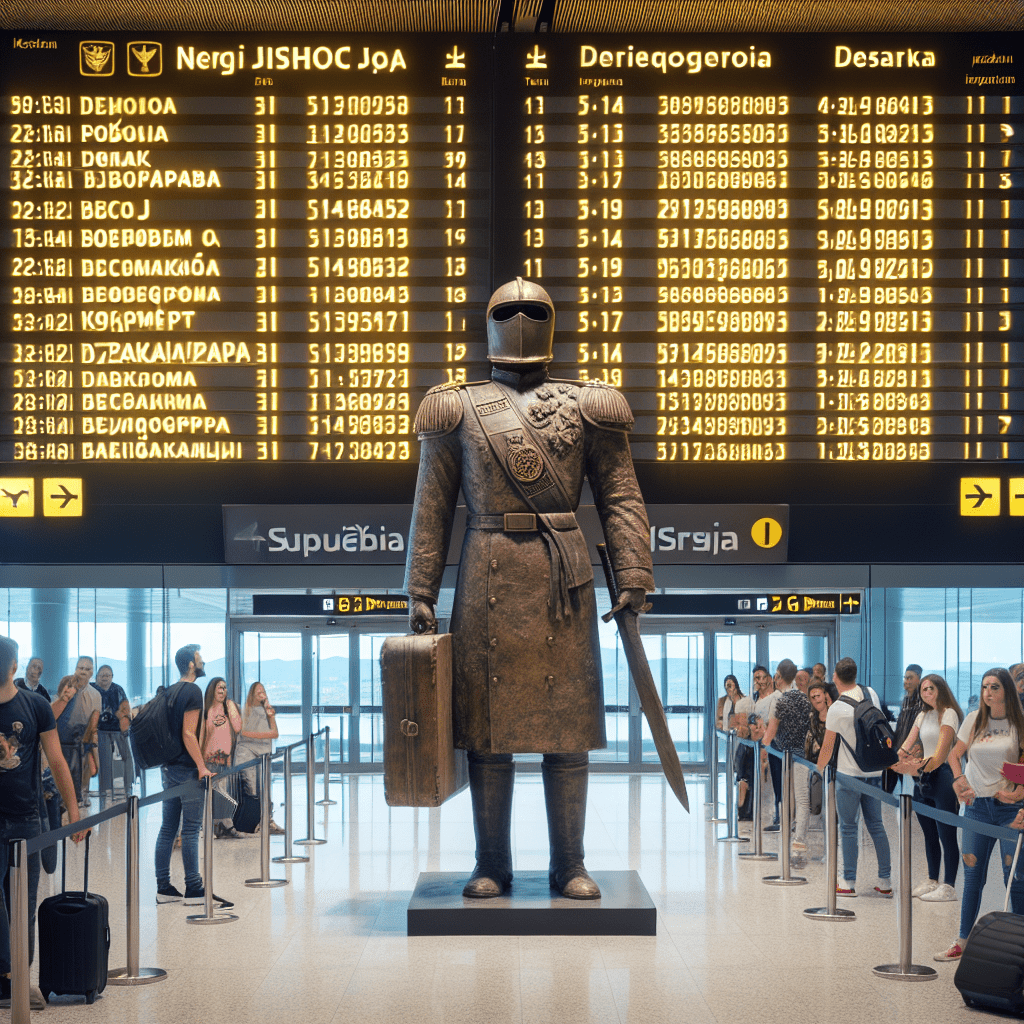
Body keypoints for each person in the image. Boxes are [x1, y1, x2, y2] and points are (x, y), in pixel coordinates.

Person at [405, 277, 654, 900]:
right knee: (489, 738)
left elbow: (620, 494)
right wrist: (420, 591)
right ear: (492, 321)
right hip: (486, 569)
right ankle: (491, 862)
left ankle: (569, 862)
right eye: (509, 310)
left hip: (561, 578)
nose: (520, 317)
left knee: (565, 733)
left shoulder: (589, 404)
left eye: (531, 309)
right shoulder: (456, 407)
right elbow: (431, 506)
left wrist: (634, 574)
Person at [0, 635, 85, 1011]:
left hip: (25, 819)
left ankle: (20, 977)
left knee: (23, 902)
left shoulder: (35, 706)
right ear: (17, 667)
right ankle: (8, 974)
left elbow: (56, 759)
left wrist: (74, 809)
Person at [934, 667, 1024, 963]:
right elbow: (953, 753)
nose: (988, 692)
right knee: (973, 876)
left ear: (1006, 691)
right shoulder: (974, 719)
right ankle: (962, 938)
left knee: (1016, 877)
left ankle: (1019, 944)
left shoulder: (1019, 723)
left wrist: (1019, 795)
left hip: (1009, 809)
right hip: (976, 808)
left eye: (995, 687)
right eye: (985, 686)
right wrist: (958, 780)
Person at [154, 644, 233, 908]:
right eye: (199, 658)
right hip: (187, 769)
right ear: (190, 664)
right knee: (190, 830)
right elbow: (189, 733)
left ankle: (163, 887)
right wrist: (201, 766)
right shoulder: (192, 690)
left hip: (169, 768)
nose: (202, 661)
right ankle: (194, 889)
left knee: (167, 828)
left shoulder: (169, 691)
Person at [815, 656, 892, 898]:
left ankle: (848, 882)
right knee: (876, 826)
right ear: (855, 675)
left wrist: (817, 771)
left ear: (835, 678)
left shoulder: (836, 708)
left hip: (849, 776)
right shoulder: (871, 694)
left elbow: (827, 748)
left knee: (848, 828)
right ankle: (885, 880)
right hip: (875, 772)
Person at [895, 673, 963, 902]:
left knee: (947, 834)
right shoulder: (923, 714)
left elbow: (942, 752)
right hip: (923, 778)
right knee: (929, 834)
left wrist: (915, 766)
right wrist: (898, 759)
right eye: (924, 689)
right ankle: (933, 879)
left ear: (940, 690)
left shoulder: (949, 713)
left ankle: (949, 885)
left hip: (942, 777)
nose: (927, 693)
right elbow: (908, 743)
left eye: (931, 689)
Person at [761, 659, 811, 841]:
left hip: (785, 754)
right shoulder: (804, 699)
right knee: (802, 798)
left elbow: (771, 731)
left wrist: (763, 744)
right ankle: (800, 838)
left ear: (780, 677)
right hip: (802, 754)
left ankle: (786, 833)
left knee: (787, 796)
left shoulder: (780, 701)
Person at [233, 682, 284, 835]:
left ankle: (267, 821)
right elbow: (244, 732)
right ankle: (251, 823)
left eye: (264, 691)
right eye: (259, 692)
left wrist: (271, 716)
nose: (262, 695)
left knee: (265, 789)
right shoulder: (246, 711)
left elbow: (274, 733)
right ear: (252, 695)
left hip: (263, 755)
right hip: (248, 755)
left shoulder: (266, 711)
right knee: (251, 791)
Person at [51, 659, 100, 808]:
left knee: (82, 775)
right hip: (60, 741)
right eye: (80, 668)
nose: (83, 671)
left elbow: (94, 722)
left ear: (92, 672)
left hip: (81, 741)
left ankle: (79, 800)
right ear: (75, 669)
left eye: (87, 669)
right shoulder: (66, 685)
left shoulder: (96, 695)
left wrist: (92, 745)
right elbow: (52, 715)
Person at [200, 677, 243, 838]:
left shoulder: (229, 707)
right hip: (209, 759)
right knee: (210, 794)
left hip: (225, 759)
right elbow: (204, 736)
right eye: (219, 687)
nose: (222, 690)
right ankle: (210, 827)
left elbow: (238, 727)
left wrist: (230, 707)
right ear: (212, 689)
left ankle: (225, 825)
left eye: (224, 687)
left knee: (223, 793)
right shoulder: (207, 709)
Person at [92, 664, 134, 798]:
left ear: (112, 677)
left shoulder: (118, 689)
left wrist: (125, 726)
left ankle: (128, 788)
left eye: (107, 675)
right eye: (102, 675)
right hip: (100, 731)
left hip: (118, 730)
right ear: (97, 676)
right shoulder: (91, 689)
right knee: (104, 761)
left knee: (126, 757)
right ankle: (104, 790)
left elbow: (125, 709)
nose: (104, 678)